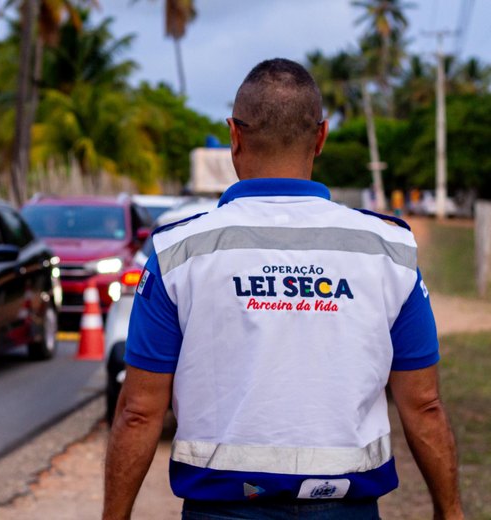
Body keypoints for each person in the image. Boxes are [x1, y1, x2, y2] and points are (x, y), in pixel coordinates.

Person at [104, 59, 462, 520]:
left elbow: (138, 412)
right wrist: (450, 511)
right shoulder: (388, 249)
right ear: (321, 137)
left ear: (234, 135)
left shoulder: (179, 251)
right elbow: (424, 404)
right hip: (347, 511)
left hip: (220, 512)